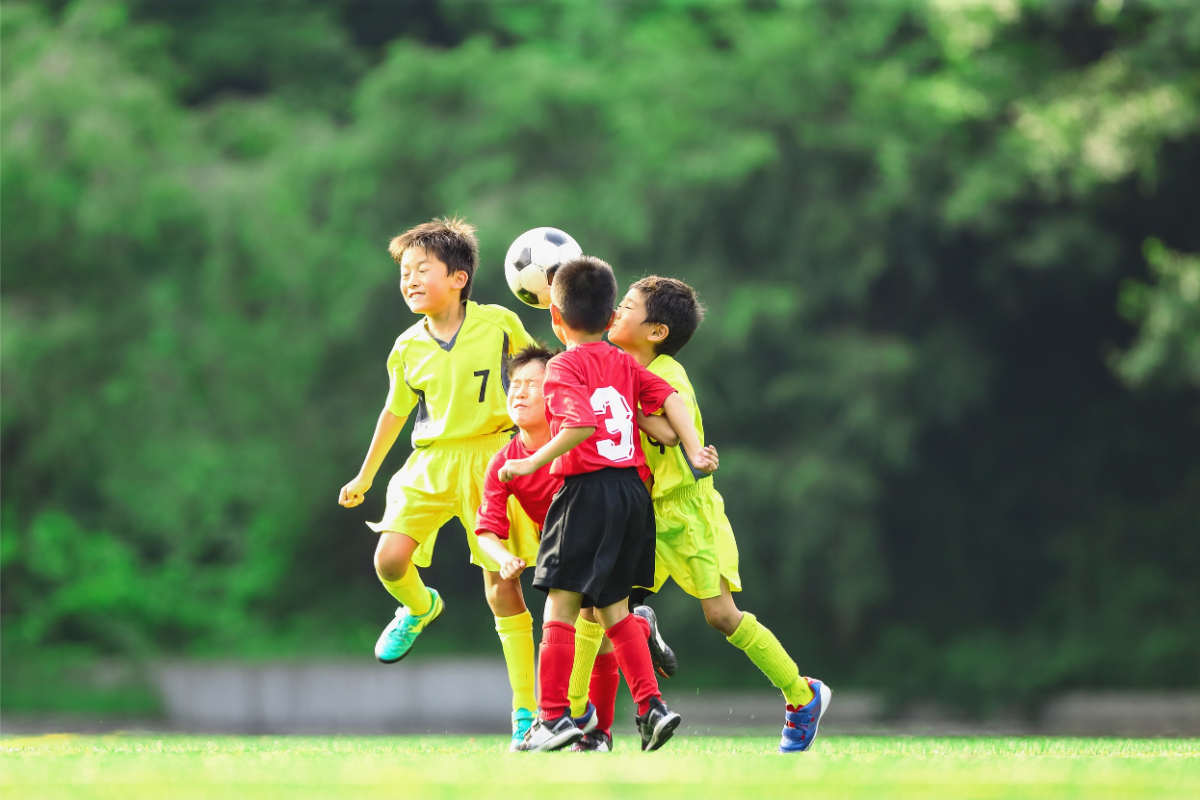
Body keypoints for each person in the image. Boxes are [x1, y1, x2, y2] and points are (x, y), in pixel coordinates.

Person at [497, 256, 716, 752]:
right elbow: (672, 403)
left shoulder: (563, 367)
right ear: (608, 316)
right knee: (614, 608)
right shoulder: (624, 363)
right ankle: (652, 706)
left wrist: (531, 464)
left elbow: (579, 427)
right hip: (631, 495)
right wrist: (693, 448)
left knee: (560, 601)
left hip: (587, 491)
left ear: (555, 318)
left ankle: (552, 718)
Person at [605, 275, 832, 753]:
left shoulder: (667, 374)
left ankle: (802, 694)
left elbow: (668, 430)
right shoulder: (615, 363)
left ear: (657, 332)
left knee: (721, 616)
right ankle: (573, 720)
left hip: (687, 511)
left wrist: (621, 406)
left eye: (626, 306)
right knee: (600, 611)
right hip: (642, 510)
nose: (615, 311)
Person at [336, 217, 542, 741]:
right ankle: (419, 606)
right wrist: (364, 476)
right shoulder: (406, 346)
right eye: (404, 272)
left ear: (458, 277)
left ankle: (526, 713)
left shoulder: (498, 323)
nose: (409, 280)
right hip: (429, 463)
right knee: (389, 558)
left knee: (503, 588)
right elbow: (394, 413)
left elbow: (540, 373)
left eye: (421, 269)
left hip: (494, 457)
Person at [475, 343, 684, 752]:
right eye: (513, 385)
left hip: (597, 521)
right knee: (608, 617)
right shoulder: (504, 461)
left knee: (585, 615)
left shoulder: (575, 442)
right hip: (586, 530)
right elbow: (486, 529)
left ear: (556, 391)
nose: (519, 392)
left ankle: (567, 722)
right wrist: (504, 559)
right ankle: (618, 712)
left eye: (531, 384)